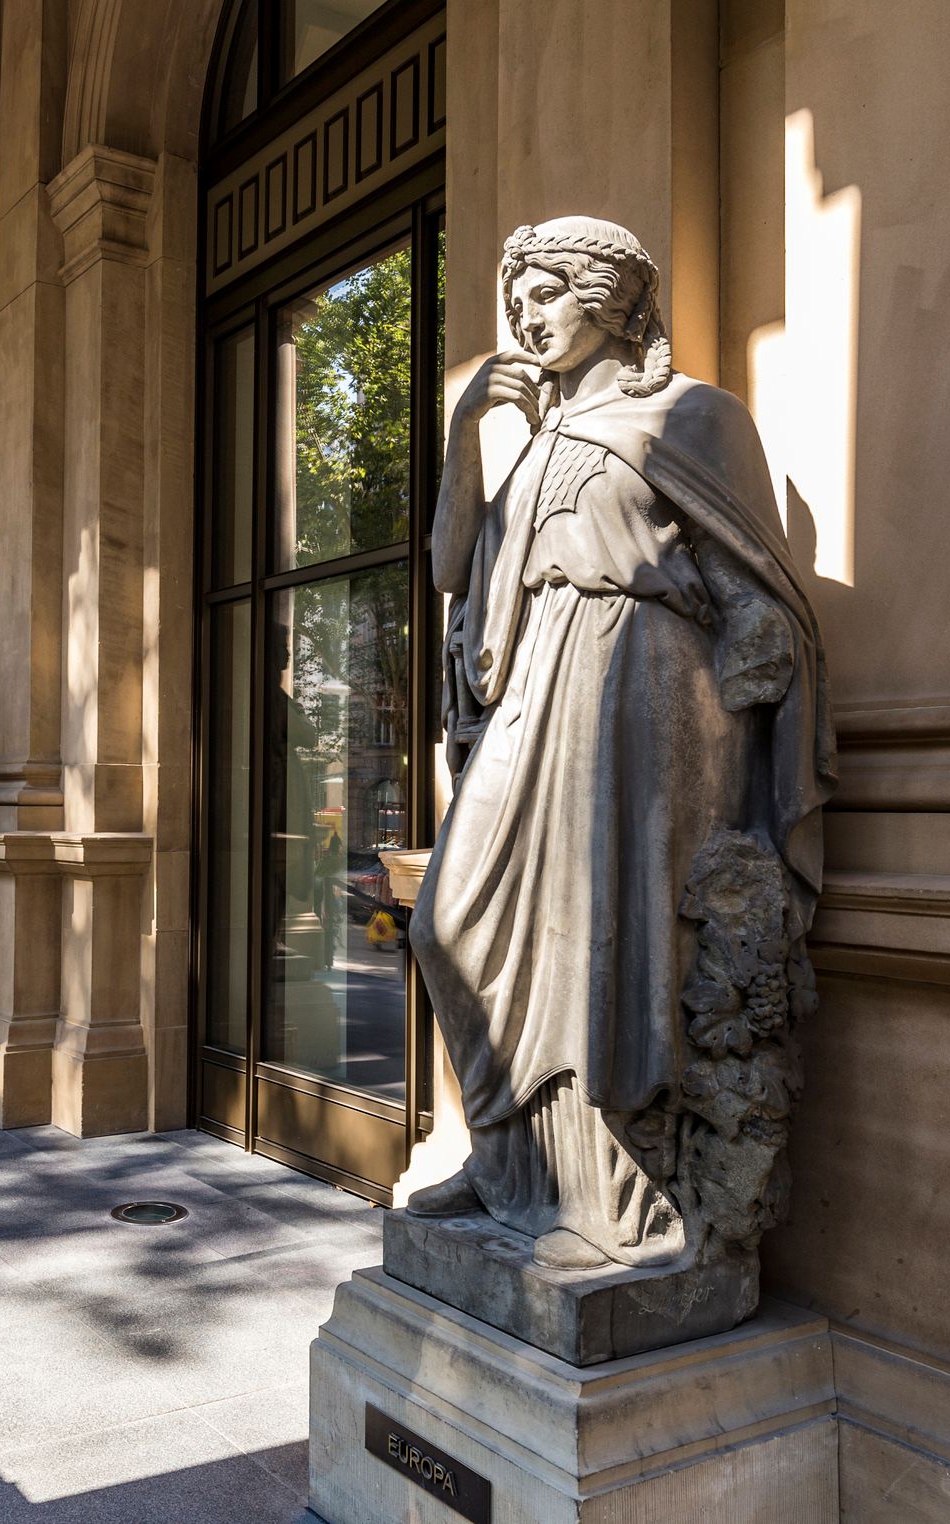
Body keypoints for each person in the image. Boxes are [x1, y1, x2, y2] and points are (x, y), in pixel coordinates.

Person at [408, 217, 835, 1271]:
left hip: (643, 688)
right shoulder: (535, 443)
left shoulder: (696, 418)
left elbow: (755, 591)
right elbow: (450, 568)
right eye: (517, 294)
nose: (524, 312)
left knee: (604, 948)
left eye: (546, 289)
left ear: (609, 297)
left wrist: (745, 691)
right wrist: (467, 439)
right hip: (537, 685)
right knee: (446, 920)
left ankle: (608, 1199)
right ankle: (508, 1158)